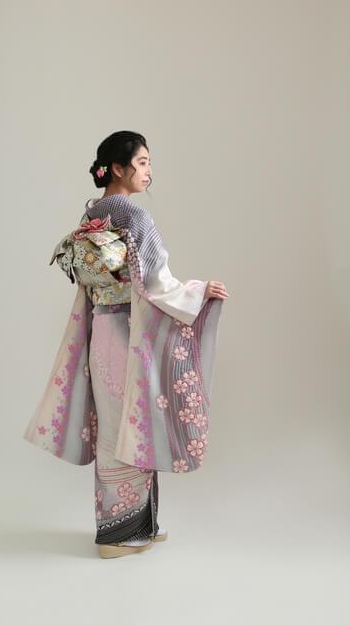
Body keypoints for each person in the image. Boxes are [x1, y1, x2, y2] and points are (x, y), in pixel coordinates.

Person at [23, 131, 228, 559]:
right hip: (126, 330)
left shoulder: (93, 214)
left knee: (120, 421)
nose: (149, 171)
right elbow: (157, 283)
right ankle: (117, 534)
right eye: (143, 162)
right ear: (118, 168)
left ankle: (139, 525)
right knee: (130, 422)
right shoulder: (136, 217)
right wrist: (200, 290)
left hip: (102, 327)